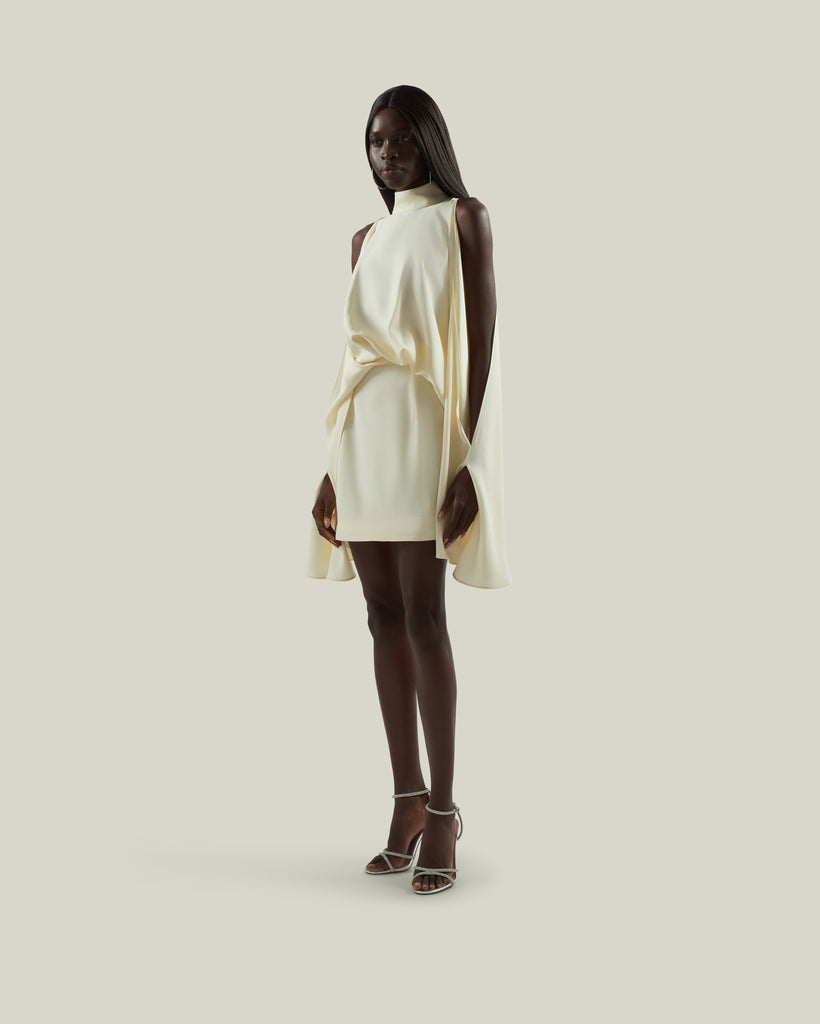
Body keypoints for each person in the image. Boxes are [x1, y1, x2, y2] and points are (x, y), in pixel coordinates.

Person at [307, 84, 510, 894]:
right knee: (380, 614)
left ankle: (447, 812)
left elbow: (484, 347)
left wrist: (474, 464)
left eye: (401, 139)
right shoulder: (364, 238)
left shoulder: (464, 220)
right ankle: (406, 803)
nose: (387, 153)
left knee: (426, 617)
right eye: (375, 141)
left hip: (429, 437)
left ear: (430, 140)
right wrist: (329, 466)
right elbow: (352, 360)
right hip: (364, 438)